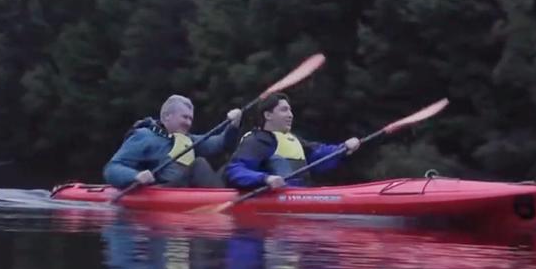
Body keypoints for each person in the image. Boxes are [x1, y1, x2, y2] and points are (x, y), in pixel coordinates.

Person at [224, 92, 360, 189]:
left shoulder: (293, 140)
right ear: (268, 115)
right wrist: (265, 178)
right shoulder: (256, 141)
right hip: (272, 199)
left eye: (290, 110)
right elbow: (235, 170)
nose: (290, 115)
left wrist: (343, 148)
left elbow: (319, 155)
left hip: (299, 195)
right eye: (284, 110)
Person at [104, 94, 242, 189]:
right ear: (167, 116)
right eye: (184, 117)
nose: (188, 123)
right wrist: (136, 176)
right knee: (199, 164)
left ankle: (229, 196)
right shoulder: (144, 136)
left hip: (185, 190)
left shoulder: (189, 139)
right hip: (161, 190)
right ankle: (224, 201)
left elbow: (221, 144)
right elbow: (112, 168)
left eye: (190, 119)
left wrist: (233, 125)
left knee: (232, 165)